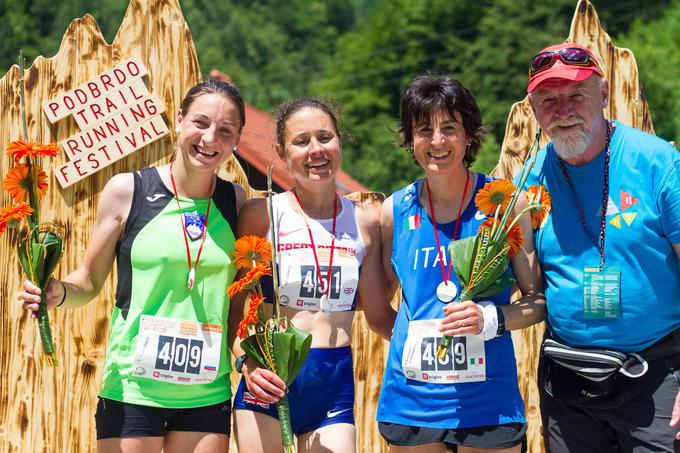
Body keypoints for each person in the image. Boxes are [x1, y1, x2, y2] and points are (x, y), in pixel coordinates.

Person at [20, 79, 247, 453]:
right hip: (132, 388)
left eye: (225, 131)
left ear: (236, 140)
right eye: (201, 123)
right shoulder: (128, 190)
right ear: (179, 120)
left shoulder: (235, 201)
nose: (210, 139)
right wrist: (57, 292)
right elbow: (89, 280)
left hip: (206, 393)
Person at [522, 42, 680, 452]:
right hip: (568, 383)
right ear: (534, 110)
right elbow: (527, 279)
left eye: (576, 95)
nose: (563, 111)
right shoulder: (531, 177)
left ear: (604, 94)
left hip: (657, 376)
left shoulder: (658, 164)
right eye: (548, 101)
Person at [377, 74, 546, 453]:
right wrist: (414, 341)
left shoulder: (504, 205)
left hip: (488, 402)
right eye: (424, 130)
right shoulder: (394, 211)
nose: (437, 141)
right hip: (412, 402)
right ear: (411, 140)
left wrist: (492, 319)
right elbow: (380, 307)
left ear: (468, 135)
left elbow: (537, 301)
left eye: (449, 128)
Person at [229, 97, 396, 453]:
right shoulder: (262, 215)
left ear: (339, 141)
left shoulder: (365, 220)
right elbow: (234, 311)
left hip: (333, 383)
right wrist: (244, 362)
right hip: (268, 377)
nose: (315, 150)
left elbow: (381, 317)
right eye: (301, 141)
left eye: (325, 137)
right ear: (281, 151)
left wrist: (435, 337)